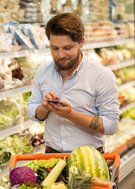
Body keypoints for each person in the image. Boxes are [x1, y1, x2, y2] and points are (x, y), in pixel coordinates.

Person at [27, 13, 119, 154]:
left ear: (81, 42)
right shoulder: (43, 72)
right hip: (51, 156)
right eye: (54, 48)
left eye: (67, 48)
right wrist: (43, 108)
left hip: (89, 160)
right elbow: (32, 109)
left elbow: (111, 125)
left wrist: (71, 115)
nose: (60, 55)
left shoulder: (102, 76)